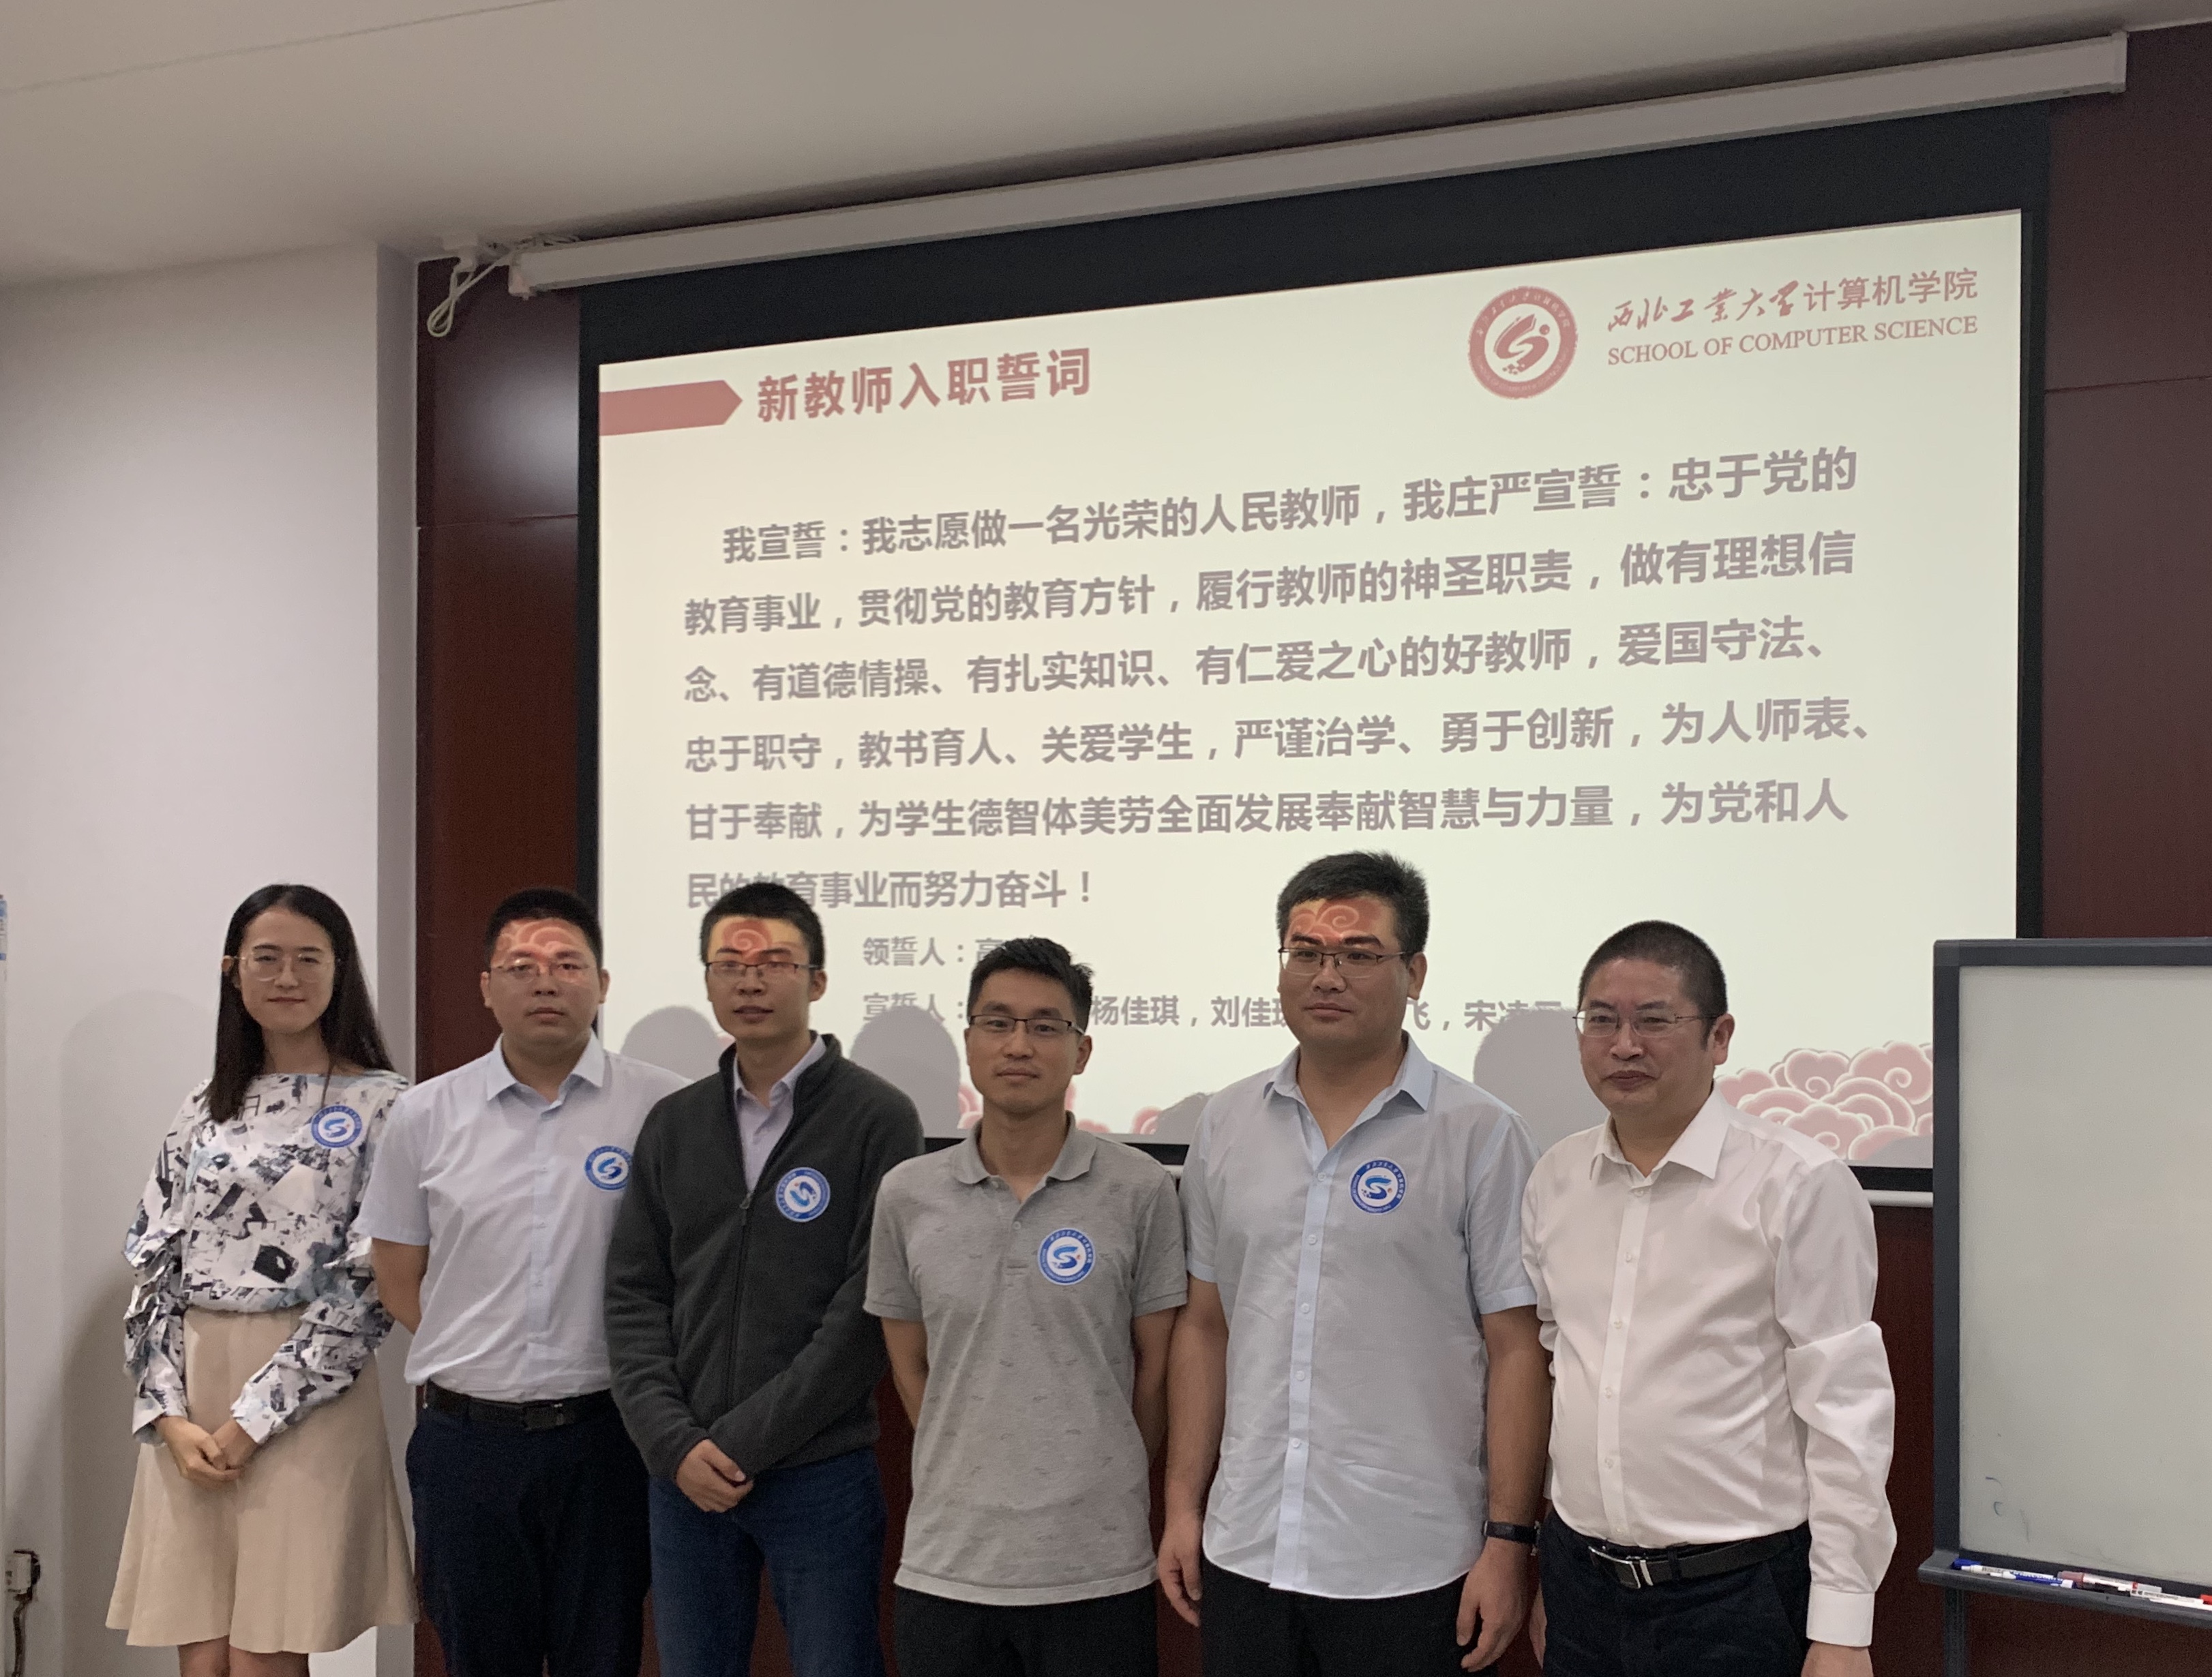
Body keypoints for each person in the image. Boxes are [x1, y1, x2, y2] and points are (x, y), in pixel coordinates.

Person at [1159, 851, 1549, 1675]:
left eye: (1358, 954)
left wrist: (1508, 1541)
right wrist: (1183, 1504)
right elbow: (1205, 1326)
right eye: (1305, 953)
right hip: (1247, 1543)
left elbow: (1516, 1349)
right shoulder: (1227, 1123)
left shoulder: (1479, 1134)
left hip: (1410, 1559)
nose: (1326, 976)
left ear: (1415, 973)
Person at [1520, 921, 1896, 1677]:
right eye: (1602, 1020)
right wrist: (1553, 1571)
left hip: (1735, 1598)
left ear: (1719, 1037)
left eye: (1654, 1020)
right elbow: (1565, 1370)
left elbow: (1845, 1412)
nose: (1624, 1046)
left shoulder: (1797, 1183)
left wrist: (1842, 1625)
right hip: (1581, 1583)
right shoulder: (1555, 1179)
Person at [361, 887, 686, 1677]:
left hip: (607, 1439)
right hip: (466, 1446)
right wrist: (484, 1346)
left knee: (601, 1657)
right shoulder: (424, 1114)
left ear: (602, 984)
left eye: (567, 964)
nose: (545, 981)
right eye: (521, 966)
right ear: (486, 987)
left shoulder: (665, 1107)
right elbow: (397, 1274)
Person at [606, 881, 924, 1677]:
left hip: (820, 1469)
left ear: (817, 981)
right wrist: (675, 1443)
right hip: (684, 1473)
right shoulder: (674, 1123)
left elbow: (867, 1309)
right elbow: (635, 1294)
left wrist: (741, 1442)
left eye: (775, 962)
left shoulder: (877, 1118)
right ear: (708, 981)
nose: (751, 981)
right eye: (731, 964)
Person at [108, 883, 415, 1673]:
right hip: (193, 1383)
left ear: (340, 972)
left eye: (309, 959)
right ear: (232, 971)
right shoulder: (202, 1106)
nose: (287, 977)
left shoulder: (387, 1105)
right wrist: (167, 1413)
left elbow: (368, 1281)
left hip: (309, 1390)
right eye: (266, 958)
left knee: (263, 1654)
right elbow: (153, 1260)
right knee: (203, 1655)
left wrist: (255, 1419)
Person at [867, 938, 1186, 1677]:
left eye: (1046, 1026)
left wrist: (1098, 1468)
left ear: (1081, 1051)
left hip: (1096, 1566)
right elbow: (910, 1365)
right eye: (997, 1023)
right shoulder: (907, 1194)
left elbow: (1158, 1369)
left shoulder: (1140, 1189)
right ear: (969, 1041)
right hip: (948, 1564)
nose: (1019, 1045)